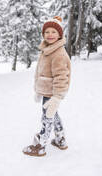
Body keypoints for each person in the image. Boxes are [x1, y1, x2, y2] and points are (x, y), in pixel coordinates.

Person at [23, 16, 71, 157]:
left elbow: (62, 77)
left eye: (54, 32)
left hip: (52, 93)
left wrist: (56, 98)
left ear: (59, 35)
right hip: (46, 90)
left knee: (47, 117)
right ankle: (60, 139)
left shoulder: (58, 53)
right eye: (47, 32)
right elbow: (41, 71)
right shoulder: (48, 50)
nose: (50, 35)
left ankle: (41, 145)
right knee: (53, 114)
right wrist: (38, 90)